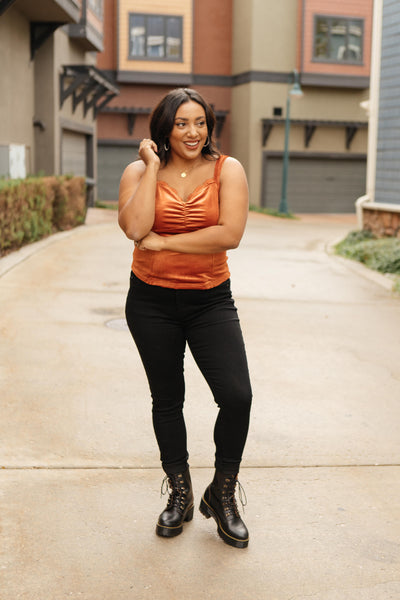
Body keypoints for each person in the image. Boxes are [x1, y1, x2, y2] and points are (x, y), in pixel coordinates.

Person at [118, 88, 252, 549]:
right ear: (164, 129)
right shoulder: (138, 171)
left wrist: (166, 242)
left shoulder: (226, 169)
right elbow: (136, 229)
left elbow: (228, 234)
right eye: (181, 124)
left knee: (237, 396)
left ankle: (222, 493)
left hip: (210, 300)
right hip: (150, 301)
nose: (193, 132)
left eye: (200, 122)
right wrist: (153, 168)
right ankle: (180, 491)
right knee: (167, 398)